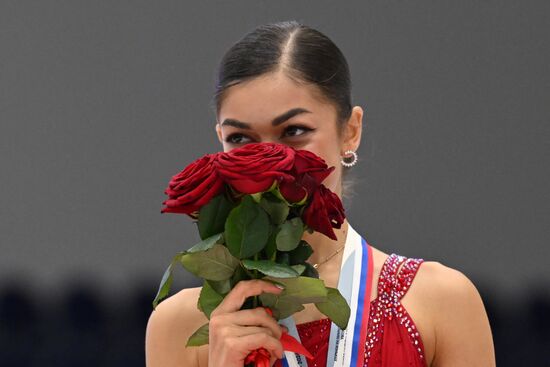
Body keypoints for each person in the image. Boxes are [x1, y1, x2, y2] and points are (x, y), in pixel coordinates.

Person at [145, 20, 495, 367]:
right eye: (240, 138)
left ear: (351, 131)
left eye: (294, 131)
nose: (272, 163)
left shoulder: (441, 302)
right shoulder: (181, 326)